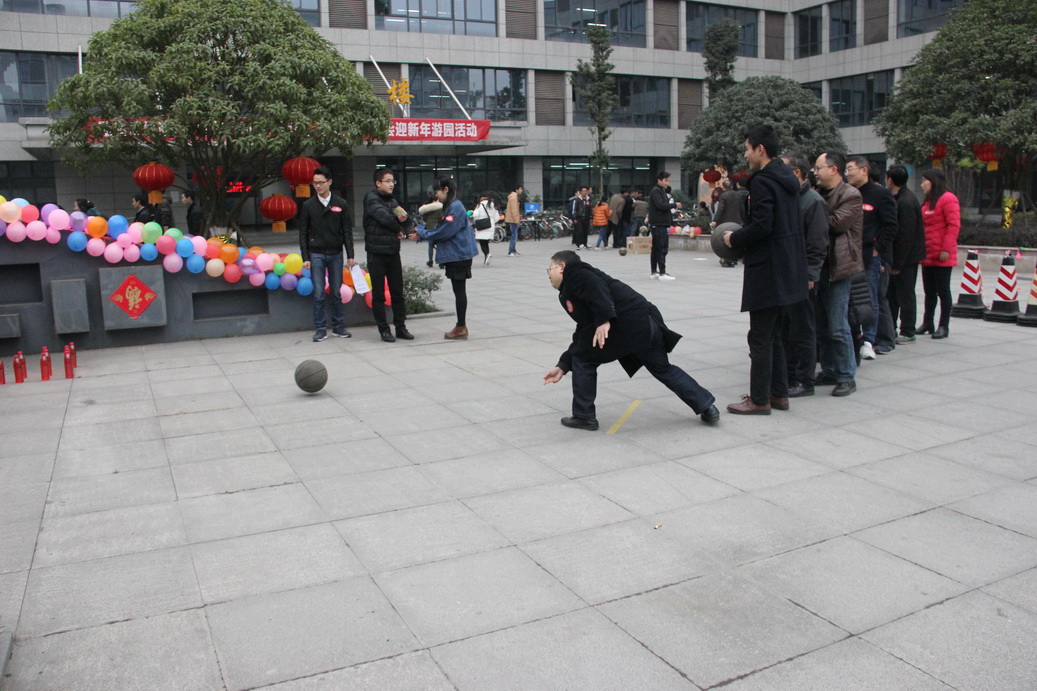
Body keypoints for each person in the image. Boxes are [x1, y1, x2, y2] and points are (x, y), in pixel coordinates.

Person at [542, 250, 719, 430]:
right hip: (645, 325)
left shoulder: (576, 272)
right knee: (663, 369)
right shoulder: (574, 286)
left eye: (550, 269)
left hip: (627, 325)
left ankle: (584, 417)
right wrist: (563, 365)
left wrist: (604, 319)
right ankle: (707, 406)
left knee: (583, 360)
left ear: (562, 267)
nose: (549, 275)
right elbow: (583, 329)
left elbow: (597, 288)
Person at [722, 125, 807, 415]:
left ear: (760, 149)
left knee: (759, 337)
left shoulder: (762, 181)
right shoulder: (787, 180)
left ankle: (759, 399)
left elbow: (762, 225)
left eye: (747, 149)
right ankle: (778, 394)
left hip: (768, 268)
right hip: (788, 267)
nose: (746, 155)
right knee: (776, 335)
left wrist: (734, 238)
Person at [813, 151, 864, 396]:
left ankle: (846, 375)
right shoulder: (819, 193)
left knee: (837, 325)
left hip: (839, 267)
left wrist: (812, 214)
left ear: (833, 170)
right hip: (820, 267)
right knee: (822, 325)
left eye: (819, 167)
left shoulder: (850, 195)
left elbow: (836, 224)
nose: (815, 172)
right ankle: (830, 369)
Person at [781, 151, 829, 398]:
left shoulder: (813, 201)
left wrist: (811, 274)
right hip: (784, 275)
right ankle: (788, 376)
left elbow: (818, 243)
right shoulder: (788, 198)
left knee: (803, 330)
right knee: (786, 329)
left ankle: (804, 379)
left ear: (796, 173)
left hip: (802, 276)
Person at [845, 156, 898, 358]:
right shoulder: (847, 193)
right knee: (849, 300)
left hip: (869, 256)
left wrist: (878, 249)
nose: (848, 173)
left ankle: (869, 339)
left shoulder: (880, 194)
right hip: (847, 255)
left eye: (851, 169)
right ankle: (855, 336)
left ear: (864, 170)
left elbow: (890, 225)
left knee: (870, 298)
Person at [417, 176, 478, 340]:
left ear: (446, 189)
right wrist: (422, 231)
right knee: (458, 290)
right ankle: (460, 326)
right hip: (456, 254)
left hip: (459, 254)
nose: (436, 195)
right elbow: (440, 227)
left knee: (459, 291)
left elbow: (446, 231)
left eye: (437, 191)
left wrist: (423, 233)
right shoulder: (449, 206)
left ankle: (461, 326)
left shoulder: (455, 207)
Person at [299, 166, 354, 342]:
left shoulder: (341, 204)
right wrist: (305, 257)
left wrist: (350, 255)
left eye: (321, 182)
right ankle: (320, 329)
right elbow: (303, 233)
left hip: (336, 253)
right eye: (315, 183)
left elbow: (347, 231)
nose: (318, 186)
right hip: (316, 254)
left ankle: (338, 326)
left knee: (336, 292)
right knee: (319, 293)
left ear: (329, 182)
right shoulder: (308, 205)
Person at [363, 167, 415, 343]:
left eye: (393, 181)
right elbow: (384, 217)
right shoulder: (371, 198)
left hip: (393, 252)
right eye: (388, 181)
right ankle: (384, 330)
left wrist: (405, 223)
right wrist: (398, 227)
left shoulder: (393, 201)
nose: (391, 184)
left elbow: (406, 219)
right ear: (378, 183)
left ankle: (401, 327)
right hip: (376, 252)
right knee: (379, 294)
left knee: (397, 293)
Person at [918, 168, 960, 340]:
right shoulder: (928, 202)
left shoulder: (948, 199)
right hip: (927, 253)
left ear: (934, 181)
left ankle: (944, 325)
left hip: (942, 254)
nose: (921, 184)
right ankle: (928, 323)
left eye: (924, 181)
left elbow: (953, 226)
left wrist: (946, 249)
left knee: (943, 291)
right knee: (929, 292)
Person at [886, 165, 926, 343]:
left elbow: (905, 236)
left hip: (906, 259)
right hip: (898, 257)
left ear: (890, 180)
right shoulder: (897, 198)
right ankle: (891, 328)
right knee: (892, 295)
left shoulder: (906, 201)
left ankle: (908, 330)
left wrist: (898, 263)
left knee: (905, 294)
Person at [648, 171, 679, 280]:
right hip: (659, 223)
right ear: (659, 180)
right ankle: (662, 273)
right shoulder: (656, 191)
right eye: (666, 180)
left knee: (656, 248)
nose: (667, 183)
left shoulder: (660, 190)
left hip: (659, 223)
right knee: (661, 248)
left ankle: (654, 272)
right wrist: (674, 205)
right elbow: (660, 205)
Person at [471, 191, 497, 266]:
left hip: (482, 226)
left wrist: (472, 213)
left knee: (482, 243)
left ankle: (487, 254)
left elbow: (476, 215)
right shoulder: (492, 204)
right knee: (486, 243)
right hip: (490, 225)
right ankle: (486, 258)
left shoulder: (480, 205)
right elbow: (496, 217)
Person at [505, 184, 522, 256]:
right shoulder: (514, 197)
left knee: (514, 235)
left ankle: (513, 250)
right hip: (513, 220)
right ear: (517, 190)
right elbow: (514, 210)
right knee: (514, 236)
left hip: (511, 219)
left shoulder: (513, 197)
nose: (521, 191)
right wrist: (516, 221)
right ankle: (511, 251)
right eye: (520, 189)